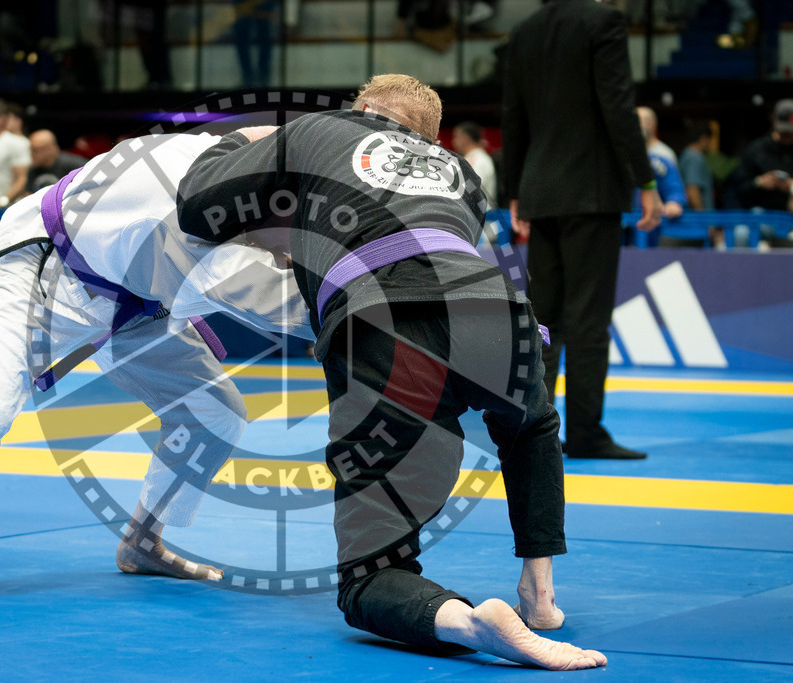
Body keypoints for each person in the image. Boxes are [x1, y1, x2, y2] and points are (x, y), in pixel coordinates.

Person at [177, 74, 606, 671]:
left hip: (386, 322)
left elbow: (197, 206)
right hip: (498, 309)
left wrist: (243, 142)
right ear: (430, 137)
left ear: (361, 107)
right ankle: (540, 593)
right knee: (530, 427)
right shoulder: (463, 174)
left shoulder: (316, 128)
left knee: (369, 577)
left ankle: (470, 623)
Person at [0, 129, 313, 596]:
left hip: (137, 293)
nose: (288, 255)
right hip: (48, 267)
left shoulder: (238, 160)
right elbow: (297, 305)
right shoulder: (201, 235)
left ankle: (143, 542)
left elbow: (270, 139)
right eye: (289, 240)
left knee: (214, 413)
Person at [502, 0, 662, 460]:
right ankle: (587, 432)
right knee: (589, 319)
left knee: (546, 321)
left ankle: (535, 428)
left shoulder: (525, 31)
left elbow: (513, 114)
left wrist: (515, 190)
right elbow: (618, 104)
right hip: (591, 190)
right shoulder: (603, 21)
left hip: (541, 189)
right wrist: (646, 181)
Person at [726, 99, 793, 213]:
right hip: (760, 215)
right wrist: (758, 182)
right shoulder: (757, 149)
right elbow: (736, 187)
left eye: (790, 132)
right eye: (784, 132)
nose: (787, 136)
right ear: (773, 121)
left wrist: (791, 186)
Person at [24, 129, 87, 196]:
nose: (31, 154)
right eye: (30, 150)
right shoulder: (32, 170)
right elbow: (29, 195)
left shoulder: (74, 165)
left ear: (49, 149)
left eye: (35, 150)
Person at [452, 120, 498, 208]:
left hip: (481, 213)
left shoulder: (478, 160)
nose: (453, 141)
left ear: (465, 138)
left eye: (456, 137)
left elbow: (472, 191)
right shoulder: (471, 158)